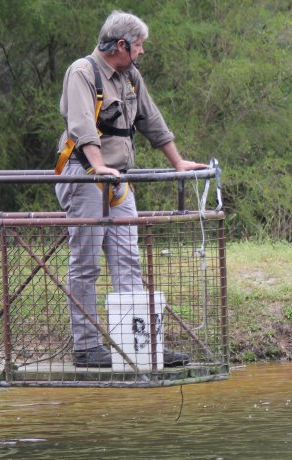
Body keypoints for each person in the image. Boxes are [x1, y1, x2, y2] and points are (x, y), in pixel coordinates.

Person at [55, 10, 206, 368]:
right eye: (138, 46)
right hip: (84, 174)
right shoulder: (83, 72)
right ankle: (87, 348)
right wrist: (97, 165)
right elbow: (81, 128)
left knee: (127, 260)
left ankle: (139, 344)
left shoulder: (130, 76)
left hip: (117, 179)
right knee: (86, 262)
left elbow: (151, 120)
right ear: (121, 45)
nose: (141, 53)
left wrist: (178, 162)